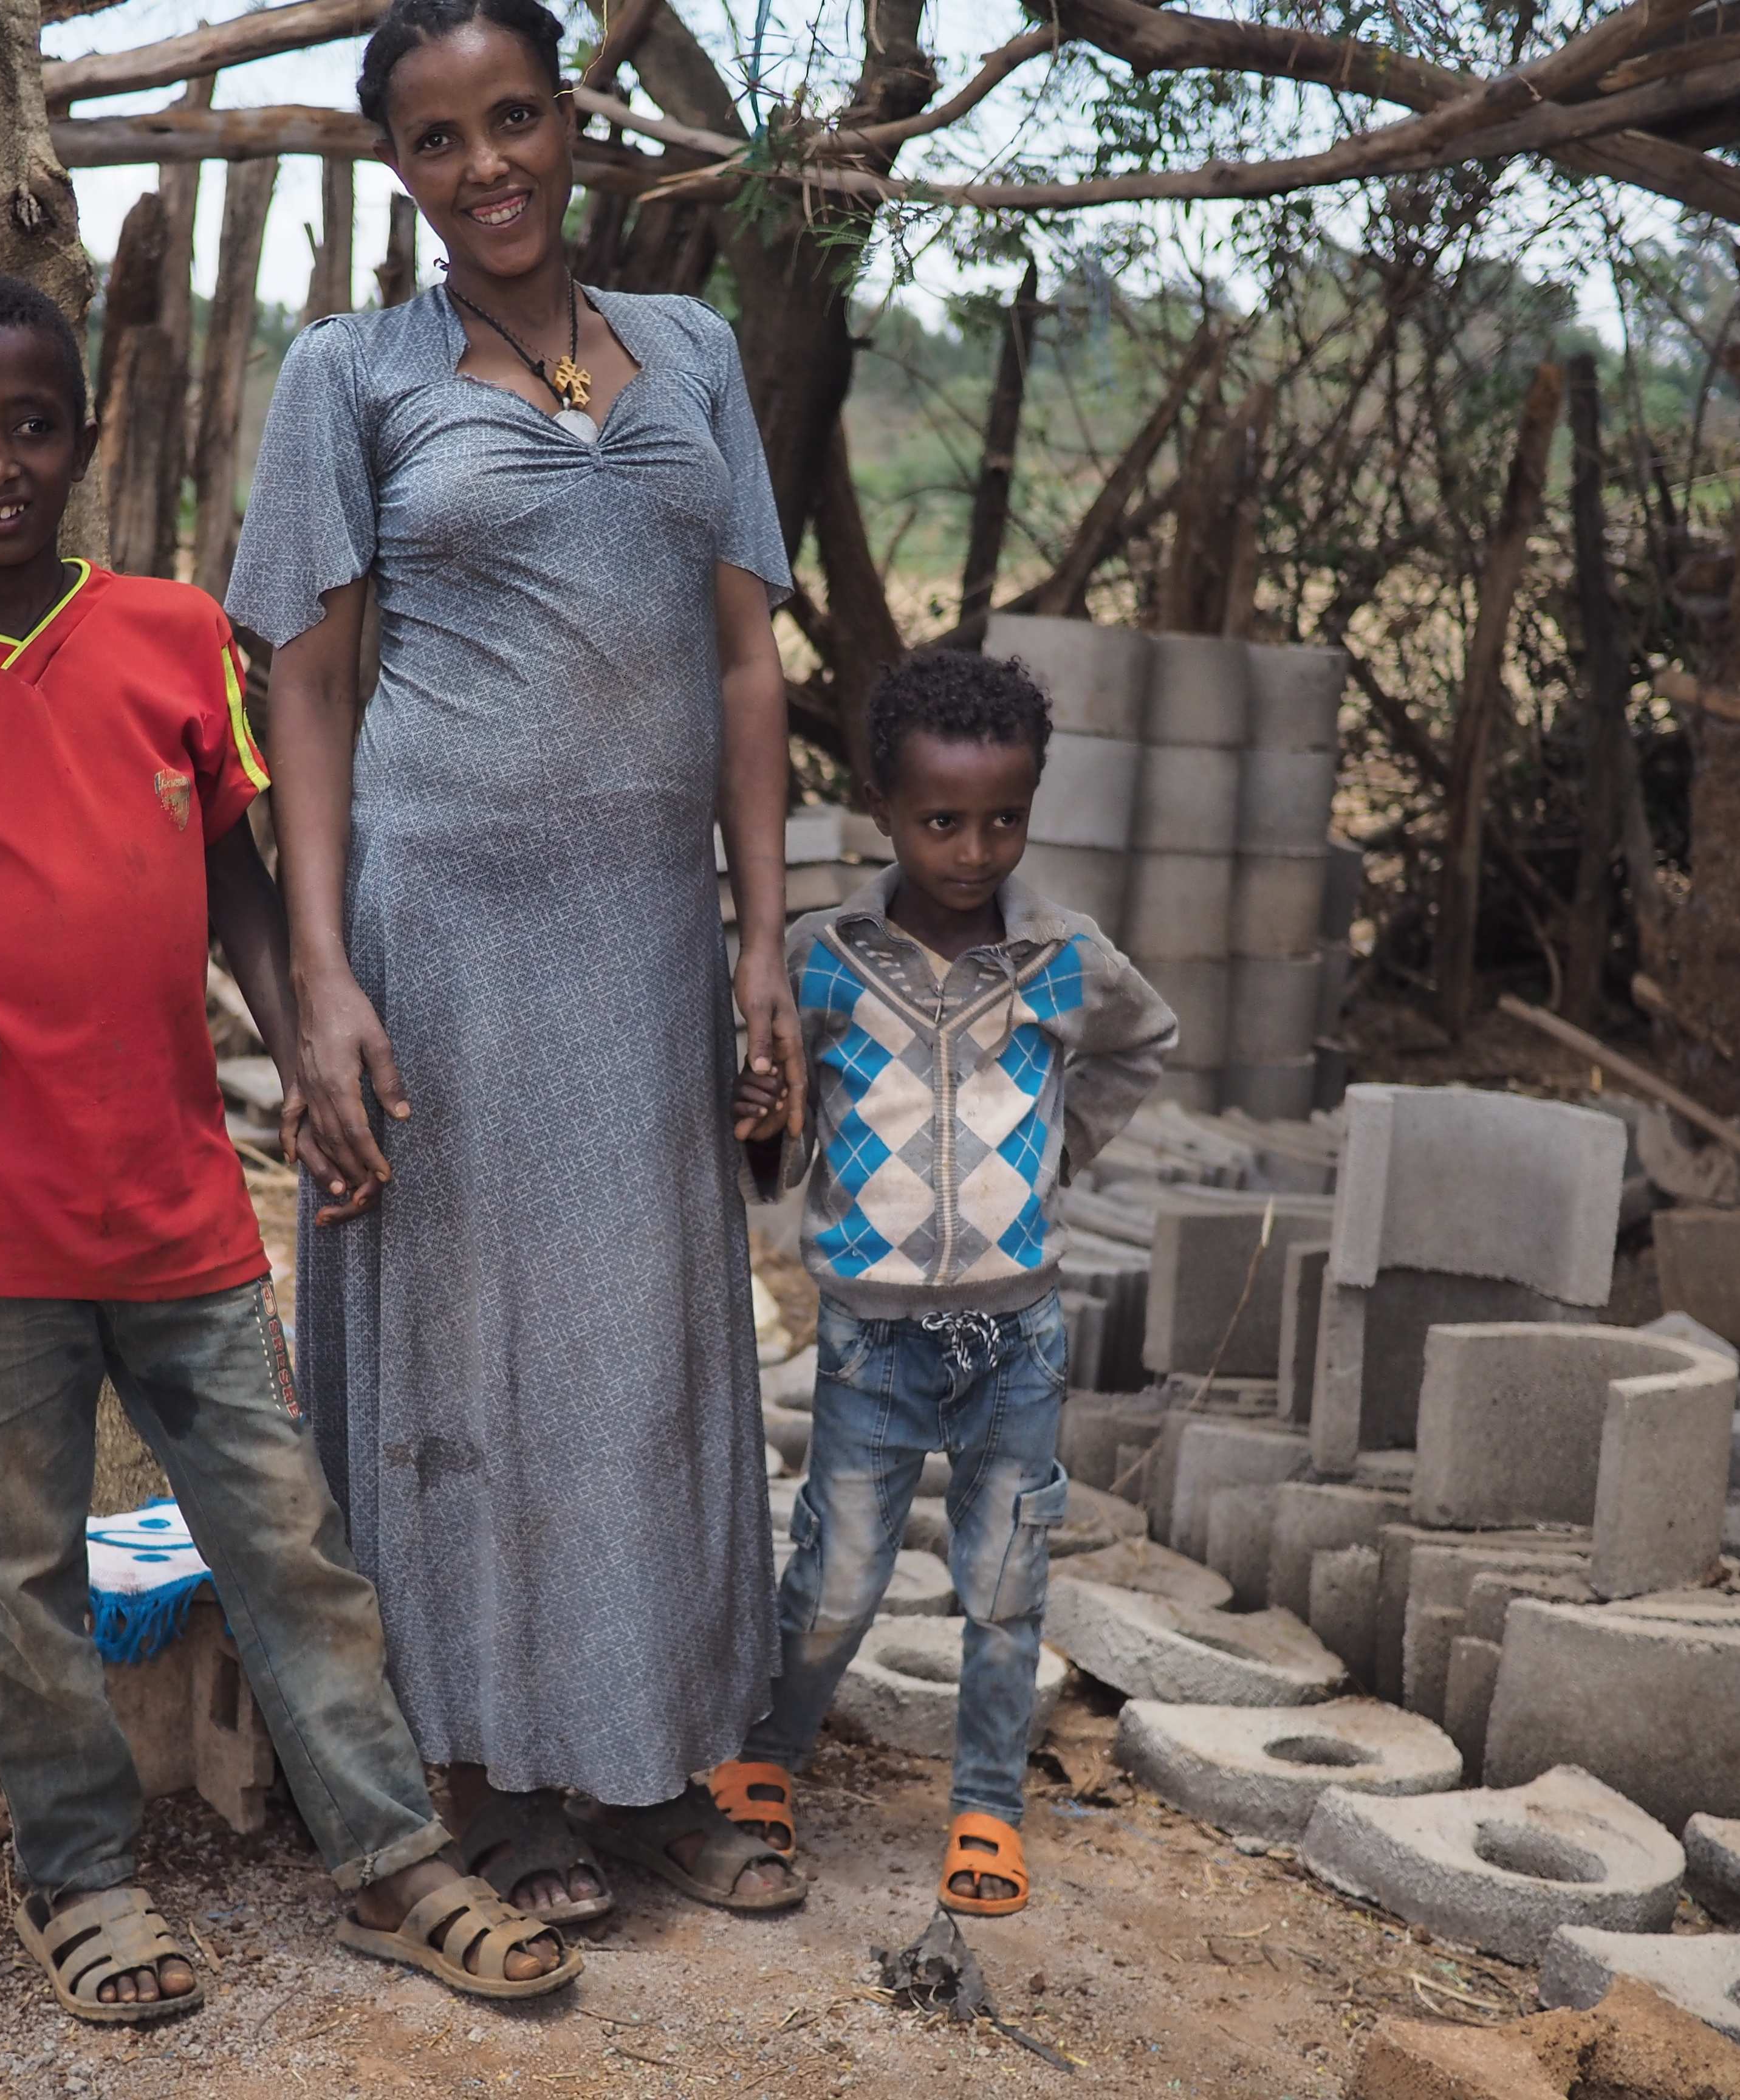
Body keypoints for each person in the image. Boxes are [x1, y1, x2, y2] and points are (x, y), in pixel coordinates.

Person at [0, 269, 575, 2022]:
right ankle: (79, 1878)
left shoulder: (173, 637)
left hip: (176, 1207)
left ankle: (392, 1856)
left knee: (282, 1533)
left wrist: (302, 1026)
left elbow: (241, 868)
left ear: (84, 439)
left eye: (31, 425)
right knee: (26, 1575)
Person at [225, 0, 806, 1920]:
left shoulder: (699, 356)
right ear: (395, 166)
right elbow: (304, 688)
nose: (489, 168)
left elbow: (741, 666)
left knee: (648, 1345)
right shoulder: (353, 372)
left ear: (577, 122)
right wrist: (319, 978)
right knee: (463, 1347)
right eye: (438, 139)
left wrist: (761, 948)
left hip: (641, 941)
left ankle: (654, 1761)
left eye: (518, 119)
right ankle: (484, 1781)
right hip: (440, 932)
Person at [712, 651, 1177, 1916]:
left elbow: (1143, 1044)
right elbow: (772, 1138)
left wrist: (1056, 1153)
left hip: (1017, 1334)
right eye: (941, 821)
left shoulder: (1063, 959)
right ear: (879, 806)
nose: (976, 850)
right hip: (870, 1338)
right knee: (840, 1569)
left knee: (1007, 1577)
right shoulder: (821, 958)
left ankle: (986, 1803)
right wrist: (770, 1119)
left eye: (1005, 820)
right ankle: (768, 1753)